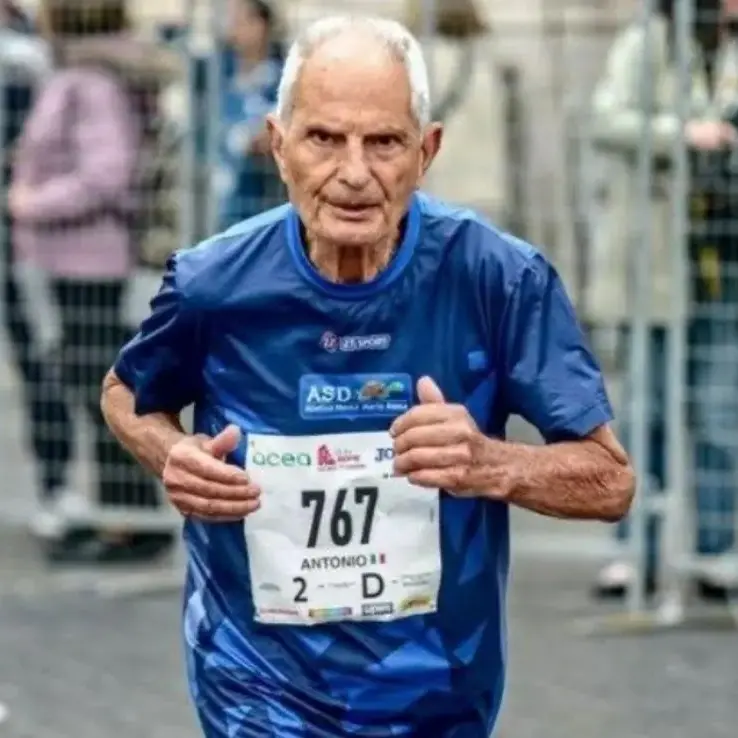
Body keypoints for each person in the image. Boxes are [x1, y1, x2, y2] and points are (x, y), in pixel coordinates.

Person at [101, 16, 634, 737]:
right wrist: (173, 456)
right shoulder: (213, 283)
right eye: (324, 139)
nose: (354, 173)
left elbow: (610, 481)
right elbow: (126, 393)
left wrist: (489, 463)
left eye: (383, 142)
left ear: (427, 150)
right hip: (256, 682)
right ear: (280, 146)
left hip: (438, 691)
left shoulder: (496, 278)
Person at [9, 0, 177, 563]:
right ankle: (123, 516)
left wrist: (28, 202)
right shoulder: (88, 74)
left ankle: (131, 521)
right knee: (96, 389)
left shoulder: (90, 82)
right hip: (78, 259)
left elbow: (105, 173)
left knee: (103, 393)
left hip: (86, 258)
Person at [587, 0, 736, 600]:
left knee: (721, 413)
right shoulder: (648, 40)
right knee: (645, 412)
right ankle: (633, 552)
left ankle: (716, 552)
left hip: (724, 262)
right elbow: (606, 118)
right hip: (658, 263)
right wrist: (688, 134)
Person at [0, 0, 74, 538]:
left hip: (20, 235)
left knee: (39, 364)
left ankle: (56, 486)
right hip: (21, 230)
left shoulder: (25, 61)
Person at [214, 0, 286, 230]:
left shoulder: (281, 79)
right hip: (217, 207)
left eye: (240, 19)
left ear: (261, 25)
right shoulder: (218, 76)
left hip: (260, 208)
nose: (232, 27)